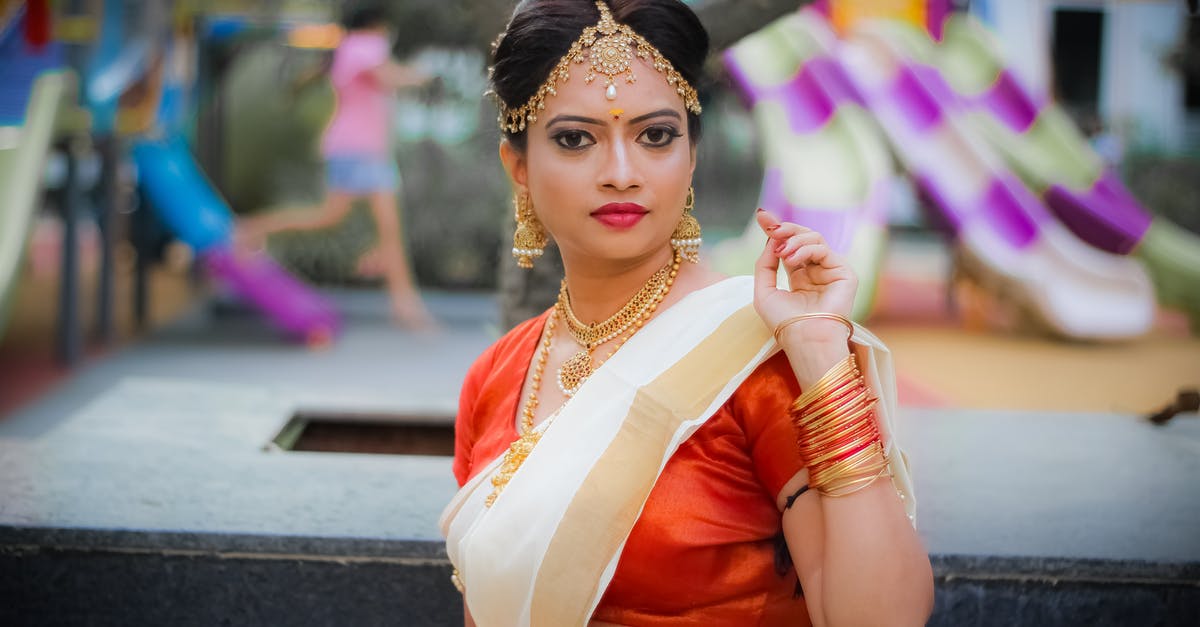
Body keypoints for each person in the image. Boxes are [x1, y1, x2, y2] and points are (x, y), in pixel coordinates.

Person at [439, 1, 934, 625]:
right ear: (519, 169)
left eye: (655, 135)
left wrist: (821, 359)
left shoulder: (760, 359)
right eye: (574, 139)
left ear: (691, 156)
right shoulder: (497, 375)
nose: (622, 173)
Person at [236, 4, 435, 329]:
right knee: (387, 227)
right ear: (376, 24)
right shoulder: (364, 46)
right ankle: (404, 303)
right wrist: (421, 76)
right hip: (361, 150)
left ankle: (252, 228)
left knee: (330, 216)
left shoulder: (346, 47)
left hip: (355, 149)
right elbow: (385, 76)